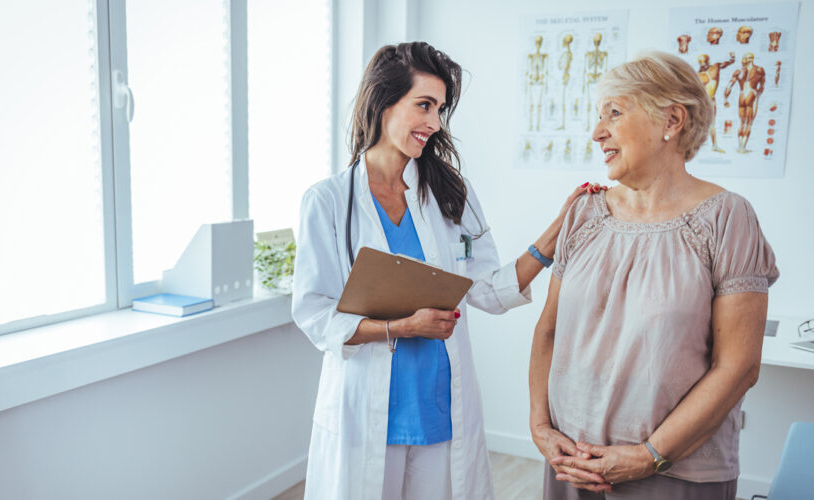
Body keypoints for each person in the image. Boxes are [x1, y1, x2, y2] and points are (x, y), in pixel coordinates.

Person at [292, 42, 596, 499]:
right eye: (424, 105)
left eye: (440, 109)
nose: (435, 123)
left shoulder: (451, 192)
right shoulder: (329, 202)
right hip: (366, 408)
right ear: (382, 102)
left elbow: (489, 291)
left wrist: (558, 230)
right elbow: (315, 313)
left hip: (440, 405)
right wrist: (401, 327)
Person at [529, 51, 779, 499]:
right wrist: (541, 427)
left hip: (674, 474)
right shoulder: (584, 212)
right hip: (571, 465)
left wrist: (649, 454)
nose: (597, 132)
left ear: (672, 120)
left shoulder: (727, 219)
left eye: (615, 113)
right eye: (598, 115)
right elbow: (548, 330)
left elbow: (738, 366)